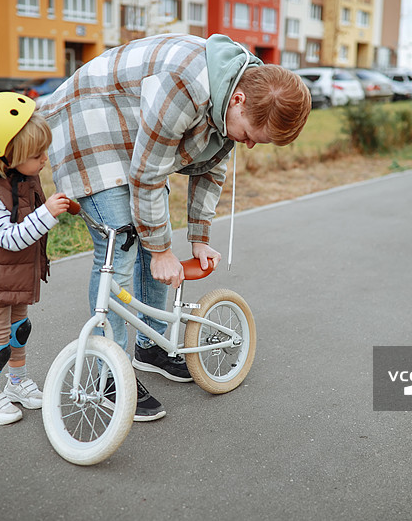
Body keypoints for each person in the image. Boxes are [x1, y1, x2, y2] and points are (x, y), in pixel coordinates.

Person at [38, 33, 311, 421]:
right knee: (121, 242)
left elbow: (212, 166)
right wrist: (162, 250)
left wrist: (198, 237)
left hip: (136, 137)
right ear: (239, 101)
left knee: (150, 232)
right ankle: (107, 375)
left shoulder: (238, 92)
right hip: (90, 120)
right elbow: (148, 175)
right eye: (251, 135)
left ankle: (150, 347)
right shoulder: (186, 83)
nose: (248, 145)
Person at [0, 92, 71, 425]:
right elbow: (8, 239)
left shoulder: (20, 178)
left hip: (18, 274)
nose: (45, 160)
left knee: (19, 330)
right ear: (4, 156)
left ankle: (18, 384)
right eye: (37, 155)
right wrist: (48, 215)